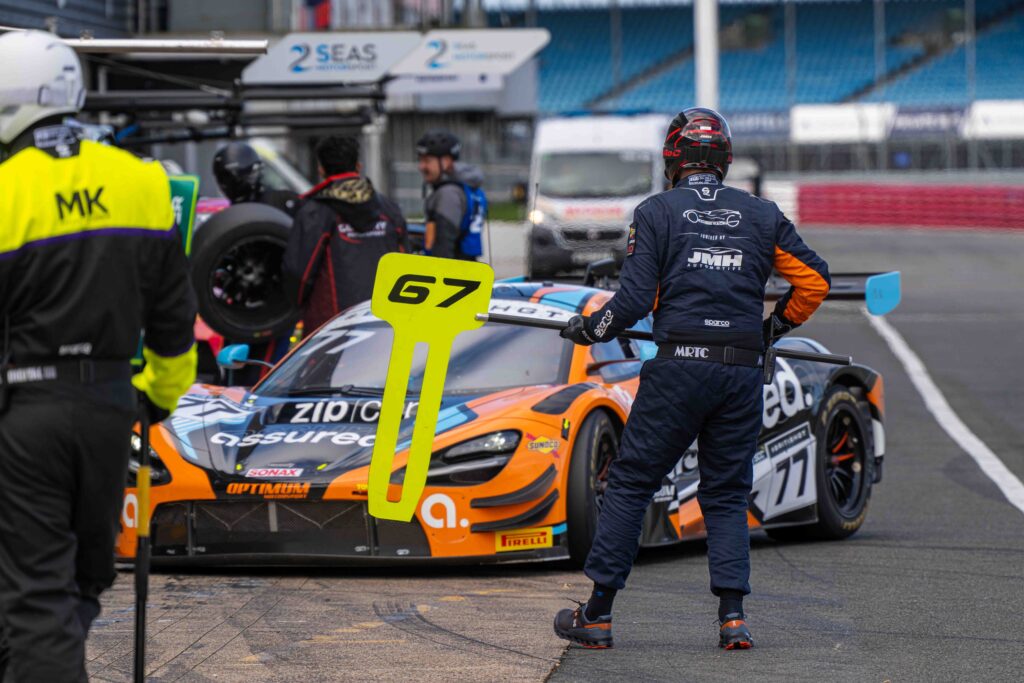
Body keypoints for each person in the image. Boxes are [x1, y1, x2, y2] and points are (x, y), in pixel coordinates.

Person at [553, 108, 830, 650]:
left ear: (672, 158)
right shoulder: (762, 214)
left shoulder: (656, 211)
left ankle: (599, 616)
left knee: (631, 483)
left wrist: (590, 329)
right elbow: (815, 282)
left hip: (678, 368)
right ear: (724, 159)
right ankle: (732, 620)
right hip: (741, 370)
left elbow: (633, 301)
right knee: (726, 493)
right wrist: (774, 327)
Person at [0, 30, 197, 681]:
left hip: (25, 412)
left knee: (38, 594)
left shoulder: (7, 189)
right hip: (114, 406)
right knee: (86, 575)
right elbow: (174, 317)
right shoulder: (142, 182)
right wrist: (158, 396)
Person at [283, 135, 407, 333]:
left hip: (331, 330)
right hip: (384, 326)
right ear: (358, 166)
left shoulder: (314, 211)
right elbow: (406, 266)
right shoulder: (389, 209)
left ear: (321, 169)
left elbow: (299, 273)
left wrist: (296, 308)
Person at [212, 141, 297, 384]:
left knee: (262, 378)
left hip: (275, 308)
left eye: (234, 176)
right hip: (238, 309)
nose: (230, 183)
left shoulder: (285, 203)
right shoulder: (229, 215)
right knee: (233, 374)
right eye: (225, 178)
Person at [416, 129, 487, 260]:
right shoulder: (469, 187)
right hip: (468, 267)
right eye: (420, 160)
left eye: (427, 161)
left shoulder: (448, 193)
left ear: (447, 161)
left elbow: (443, 246)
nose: (421, 167)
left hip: (452, 274)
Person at [212, 141, 299, 217]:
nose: (226, 183)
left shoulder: (285, 201)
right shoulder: (227, 216)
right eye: (223, 177)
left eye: (228, 177)